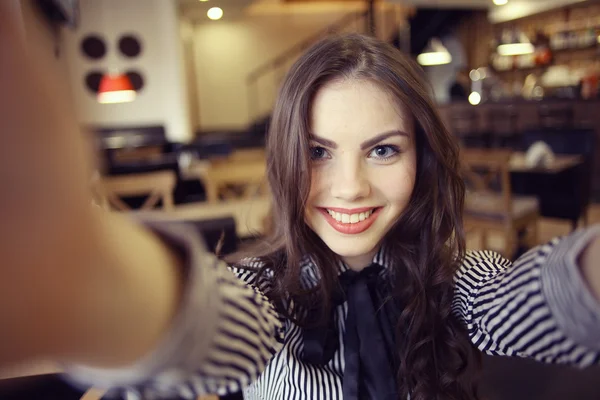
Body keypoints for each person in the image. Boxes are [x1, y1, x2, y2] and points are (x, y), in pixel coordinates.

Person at [0, 7, 599, 400]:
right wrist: (87, 276)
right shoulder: (262, 289)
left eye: (384, 151)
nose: (349, 187)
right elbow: (205, 322)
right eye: (317, 151)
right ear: (286, 156)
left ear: (423, 158)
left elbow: (543, 297)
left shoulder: (459, 281)